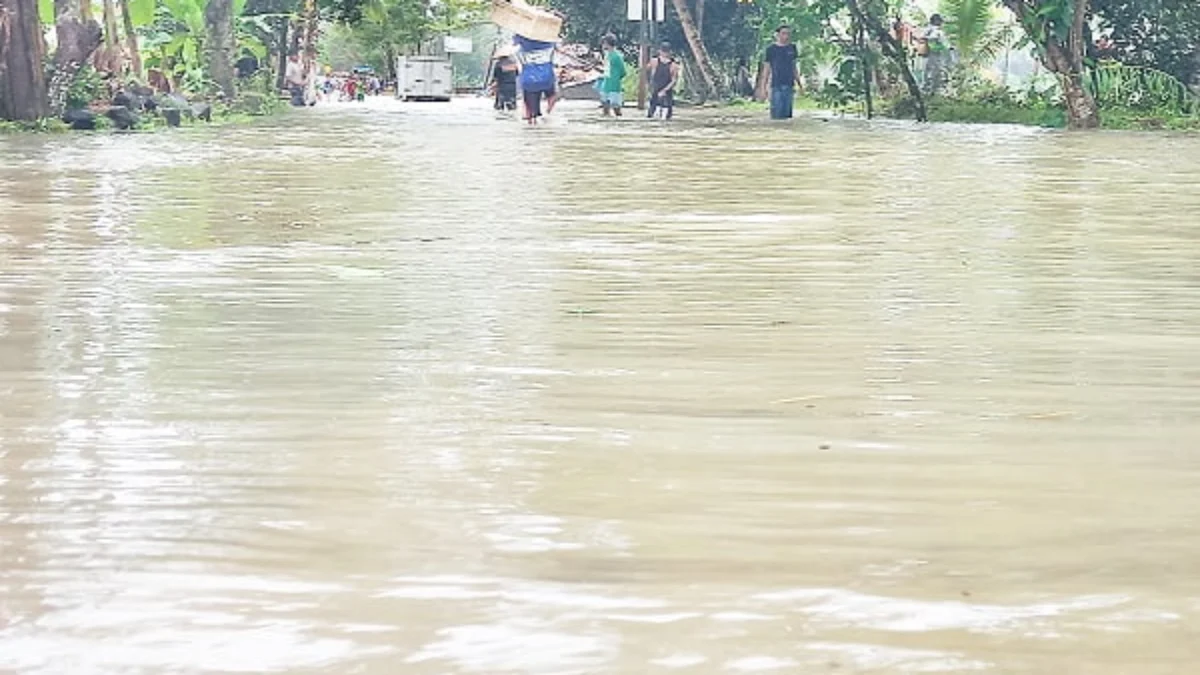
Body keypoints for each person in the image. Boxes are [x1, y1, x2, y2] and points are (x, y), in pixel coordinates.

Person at [514, 33, 558, 124]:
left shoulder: (519, 50)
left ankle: (531, 120)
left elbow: (519, 60)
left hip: (529, 79)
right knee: (553, 95)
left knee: (530, 106)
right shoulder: (549, 46)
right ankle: (547, 112)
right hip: (546, 77)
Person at [761, 25, 802, 120]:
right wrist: (763, 88)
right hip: (776, 85)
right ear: (778, 35)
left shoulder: (792, 48)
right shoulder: (771, 49)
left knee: (787, 115)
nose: (786, 36)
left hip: (789, 85)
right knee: (776, 115)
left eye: (788, 34)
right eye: (783, 33)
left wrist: (800, 85)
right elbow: (766, 69)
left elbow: (794, 67)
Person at [645, 42, 680, 120]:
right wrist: (649, 84)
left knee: (658, 113)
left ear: (659, 51)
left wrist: (663, 90)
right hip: (658, 90)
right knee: (656, 112)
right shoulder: (655, 61)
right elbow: (674, 81)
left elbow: (673, 80)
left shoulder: (673, 65)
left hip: (664, 92)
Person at [919, 14, 949, 95]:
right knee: (935, 72)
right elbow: (938, 39)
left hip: (925, 53)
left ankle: (924, 90)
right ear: (936, 21)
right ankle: (933, 91)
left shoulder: (926, 29)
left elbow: (921, 37)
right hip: (934, 53)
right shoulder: (937, 30)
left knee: (925, 71)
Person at [600, 35, 627, 117]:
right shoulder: (607, 55)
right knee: (605, 104)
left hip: (614, 84)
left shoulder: (617, 56)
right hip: (606, 83)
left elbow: (623, 71)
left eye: (604, 43)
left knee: (616, 107)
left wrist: (616, 78)